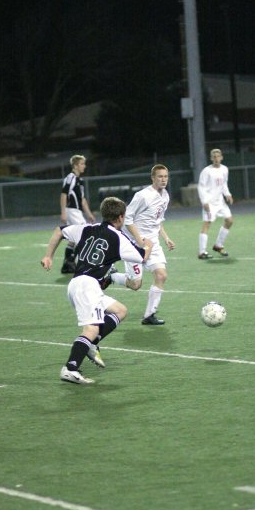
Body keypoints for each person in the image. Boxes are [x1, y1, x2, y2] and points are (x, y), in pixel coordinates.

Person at [41, 196, 152, 384]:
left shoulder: (86, 228)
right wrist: (148, 244)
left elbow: (59, 231)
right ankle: (70, 368)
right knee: (90, 329)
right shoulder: (118, 237)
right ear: (121, 217)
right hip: (87, 286)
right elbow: (142, 257)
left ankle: (91, 345)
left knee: (120, 311)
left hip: (78, 284)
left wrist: (48, 256)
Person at [110, 164, 175, 325]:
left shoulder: (165, 195)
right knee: (135, 284)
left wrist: (166, 238)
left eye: (166, 176)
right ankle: (111, 276)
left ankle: (149, 315)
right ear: (152, 178)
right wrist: (140, 242)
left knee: (161, 275)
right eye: (160, 176)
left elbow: (157, 221)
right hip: (134, 244)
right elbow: (127, 219)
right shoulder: (143, 196)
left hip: (153, 243)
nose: (163, 179)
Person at [60, 154, 95, 274]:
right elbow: (64, 194)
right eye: (81, 164)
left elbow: (83, 200)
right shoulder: (70, 177)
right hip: (72, 211)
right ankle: (75, 263)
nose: (84, 166)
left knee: (73, 240)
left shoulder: (80, 180)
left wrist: (89, 214)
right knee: (85, 234)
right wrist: (63, 212)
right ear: (75, 165)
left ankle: (67, 265)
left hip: (77, 211)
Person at [197, 148, 233, 259]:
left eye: (218, 156)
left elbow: (224, 184)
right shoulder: (206, 171)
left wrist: (228, 194)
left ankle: (218, 245)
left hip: (220, 202)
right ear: (211, 158)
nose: (216, 158)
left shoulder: (225, 169)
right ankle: (202, 252)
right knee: (207, 224)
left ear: (221, 157)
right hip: (210, 203)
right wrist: (204, 201)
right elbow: (201, 187)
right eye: (214, 156)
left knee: (229, 221)